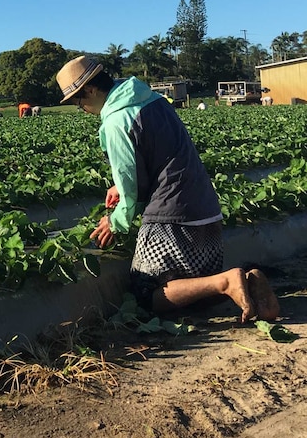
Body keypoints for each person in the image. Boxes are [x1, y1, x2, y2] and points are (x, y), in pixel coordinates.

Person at [56, 55, 279, 324]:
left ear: (90, 90)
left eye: (78, 102)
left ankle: (227, 282)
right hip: (206, 210)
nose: (81, 109)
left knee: (145, 292)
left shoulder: (116, 121)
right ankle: (247, 283)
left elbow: (132, 187)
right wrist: (121, 185)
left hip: (173, 216)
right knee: (191, 286)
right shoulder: (151, 100)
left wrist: (115, 222)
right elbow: (160, 156)